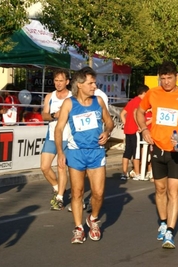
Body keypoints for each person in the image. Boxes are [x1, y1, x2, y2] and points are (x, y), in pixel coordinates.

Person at [136, 61, 178, 249]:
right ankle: (162, 222)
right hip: (158, 148)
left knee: (173, 191)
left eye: (170, 78)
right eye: (163, 78)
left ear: (176, 76)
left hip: (177, 149)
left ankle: (170, 230)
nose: (166, 82)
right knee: (160, 189)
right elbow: (140, 111)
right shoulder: (153, 93)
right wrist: (144, 129)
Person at [55, 66, 114, 244]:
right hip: (76, 152)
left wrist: (107, 132)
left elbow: (109, 122)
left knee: (98, 193)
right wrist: (60, 152)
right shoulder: (69, 103)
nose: (94, 86)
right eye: (91, 83)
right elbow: (58, 129)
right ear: (79, 84)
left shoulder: (99, 101)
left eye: (94, 82)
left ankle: (93, 219)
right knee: (77, 192)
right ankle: (79, 228)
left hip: (96, 152)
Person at [40, 69, 72, 210]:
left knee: (61, 167)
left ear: (67, 82)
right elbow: (44, 115)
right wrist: (55, 115)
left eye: (61, 80)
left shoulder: (72, 97)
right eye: (56, 80)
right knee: (45, 167)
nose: (58, 83)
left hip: (66, 136)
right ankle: (58, 187)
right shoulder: (50, 96)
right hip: (52, 136)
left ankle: (59, 198)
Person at [120, 85, 149, 181]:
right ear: (144, 93)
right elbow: (135, 112)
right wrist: (139, 126)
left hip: (128, 130)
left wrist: (126, 124)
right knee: (136, 152)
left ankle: (124, 173)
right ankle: (137, 173)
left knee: (127, 152)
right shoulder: (140, 102)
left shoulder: (131, 101)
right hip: (135, 131)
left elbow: (122, 114)